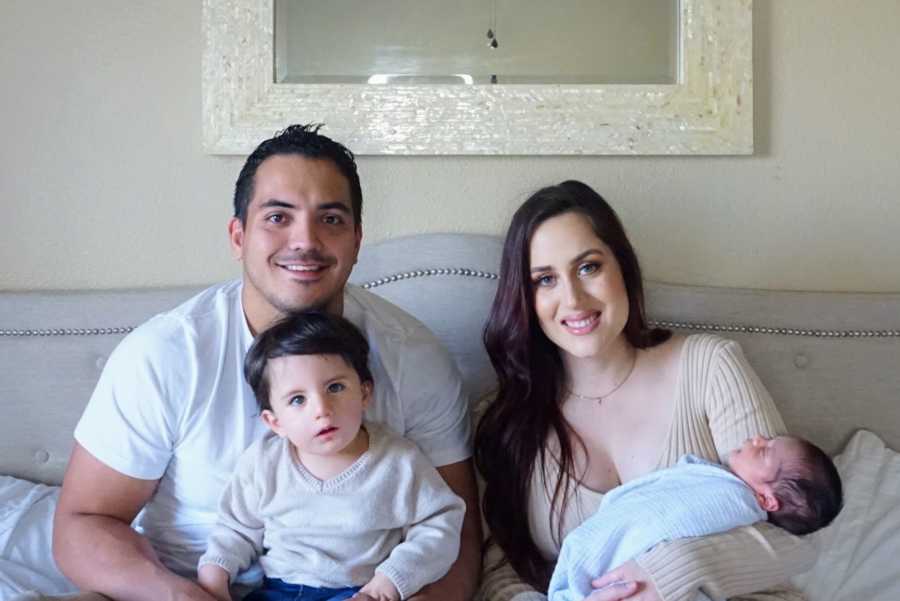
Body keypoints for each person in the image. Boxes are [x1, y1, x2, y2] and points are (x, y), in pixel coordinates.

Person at [53, 124, 481, 601]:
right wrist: (179, 596)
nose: (306, 241)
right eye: (278, 217)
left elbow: (457, 530)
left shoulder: (412, 356)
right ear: (238, 236)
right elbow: (82, 524)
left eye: (331, 219)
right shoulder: (166, 353)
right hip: (185, 586)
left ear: (357, 240)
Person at [474, 180, 816, 601]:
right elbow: (500, 573)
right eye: (545, 279)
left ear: (623, 266)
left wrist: (671, 573)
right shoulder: (506, 419)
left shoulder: (710, 367)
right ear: (524, 298)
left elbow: (793, 539)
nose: (574, 299)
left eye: (588, 267)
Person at [197, 311, 465, 601]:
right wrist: (215, 577)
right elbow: (236, 529)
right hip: (278, 590)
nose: (321, 409)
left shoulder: (398, 461)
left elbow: (439, 524)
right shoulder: (264, 463)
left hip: (359, 591)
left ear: (364, 394)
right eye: (298, 399)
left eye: (335, 387)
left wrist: (388, 583)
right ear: (275, 422)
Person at [548, 435, 843, 601]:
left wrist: (675, 568)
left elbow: (804, 547)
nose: (757, 437)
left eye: (765, 450)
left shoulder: (732, 500)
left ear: (766, 500)